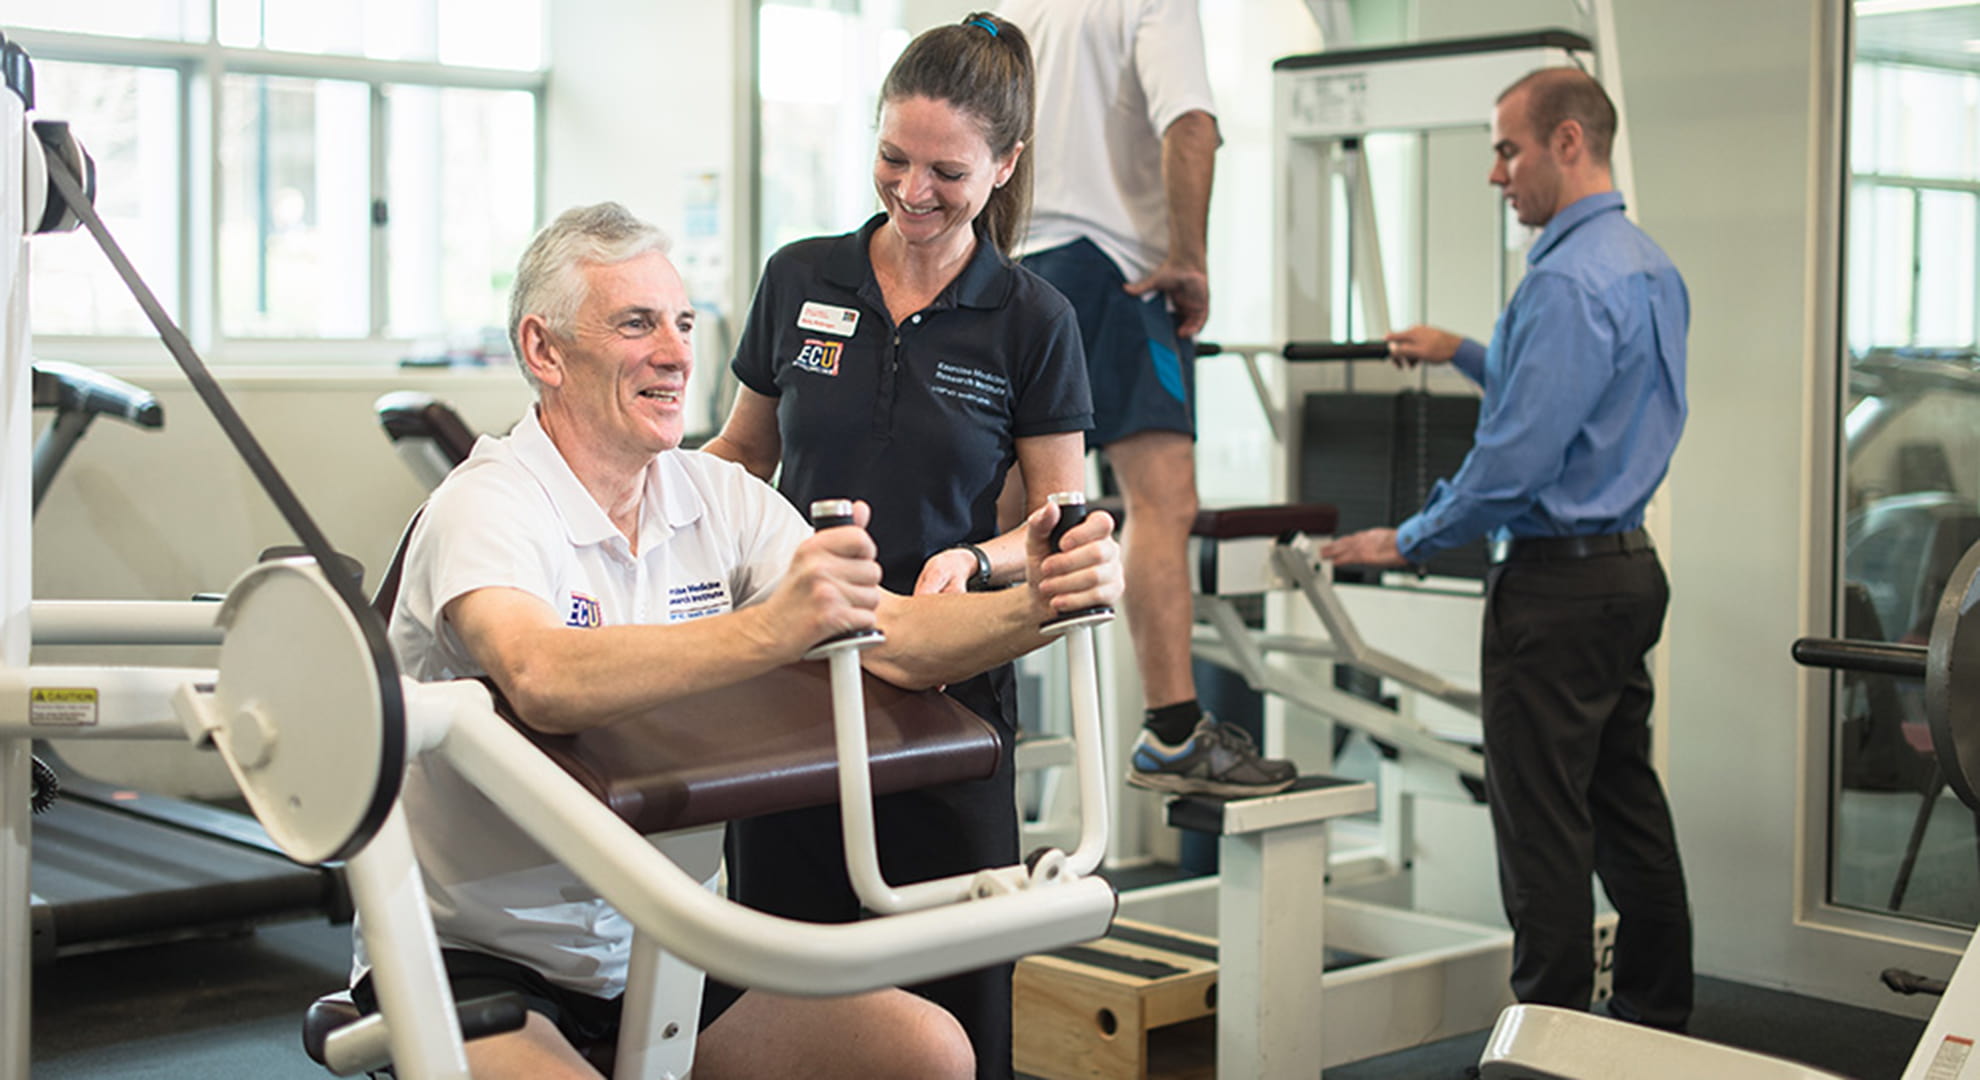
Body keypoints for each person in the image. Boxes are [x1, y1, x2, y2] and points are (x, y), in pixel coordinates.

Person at [352, 201, 1124, 1080]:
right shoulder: (488, 502)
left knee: (929, 1054)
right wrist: (771, 627)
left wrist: (1045, 607)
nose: (678, 353)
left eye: (682, 324)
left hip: (669, 942)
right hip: (478, 959)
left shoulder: (717, 499)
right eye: (637, 324)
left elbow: (901, 641)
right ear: (544, 351)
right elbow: (540, 675)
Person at [699, 14, 1089, 1076]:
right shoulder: (801, 278)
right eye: (892, 159)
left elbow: (1060, 516)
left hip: (947, 703)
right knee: (781, 1002)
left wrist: (983, 560)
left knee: (953, 1024)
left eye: (948, 172)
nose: (914, 192)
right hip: (793, 693)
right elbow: (742, 450)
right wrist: (629, 493)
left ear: (1005, 165)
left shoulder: (1031, 319)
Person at [1321, 68, 1694, 1033]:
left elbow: (1511, 465)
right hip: (1625, 576)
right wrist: (1465, 351)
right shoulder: (1645, 265)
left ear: (1567, 143)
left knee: (1543, 831)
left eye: (1506, 149)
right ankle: (1656, 1023)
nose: (1498, 174)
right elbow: (1582, 402)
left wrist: (1405, 540)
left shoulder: (1564, 279)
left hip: (1555, 590)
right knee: (1624, 806)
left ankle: (1549, 1044)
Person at [999, 0, 1296, 798]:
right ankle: (1171, 732)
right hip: (1116, 270)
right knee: (1163, 500)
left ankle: (960, 702)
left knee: (1007, 507)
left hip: (1020, 263)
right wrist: (1190, 259)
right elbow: (1191, 125)